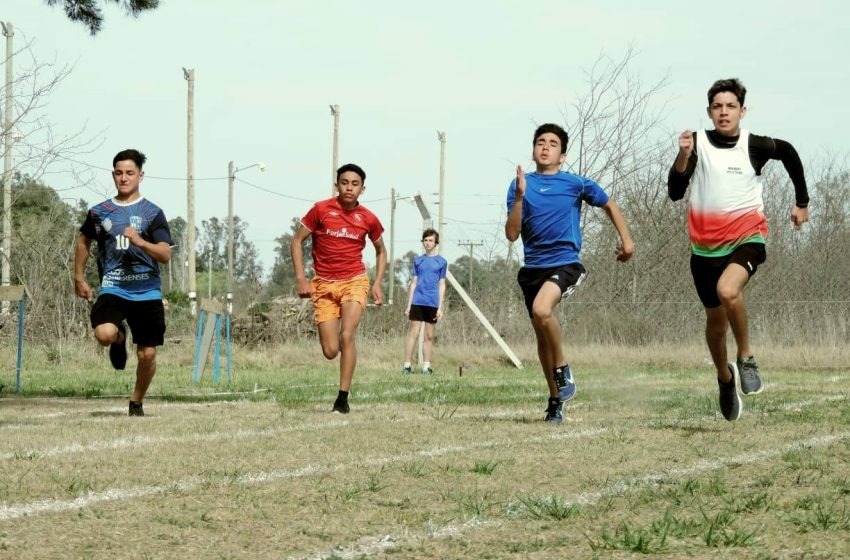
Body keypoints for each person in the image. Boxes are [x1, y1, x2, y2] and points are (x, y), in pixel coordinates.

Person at [668, 78, 809, 422]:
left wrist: (801, 201)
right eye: (717, 107)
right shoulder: (697, 143)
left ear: (742, 111)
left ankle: (746, 356)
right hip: (704, 251)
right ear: (709, 112)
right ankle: (724, 377)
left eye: (730, 106)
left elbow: (788, 152)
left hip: (747, 237)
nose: (724, 112)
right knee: (716, 326)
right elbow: (674, 191)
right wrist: (683, 156)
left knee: (728, 290)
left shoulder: (755, 145)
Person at [505, 123, 634, 424]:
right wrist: (521, 197)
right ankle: (555, 399)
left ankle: (562, 368)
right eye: (540, 142)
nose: (546, 147)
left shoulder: (575, 183)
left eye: (552, 143)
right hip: (532, 269)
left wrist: (627, 241)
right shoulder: (520, 185)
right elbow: (512, 234)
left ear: (562, 155)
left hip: (565, 263)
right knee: (541, 333)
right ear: (534, 150)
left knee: (542, 309)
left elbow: (609, 203)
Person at [74, 149, 173, 417]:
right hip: (114, 287)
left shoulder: (152, 213)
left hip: (147, 290)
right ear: (113, 175)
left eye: (130, 173)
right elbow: (83, 240)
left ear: (141, 175)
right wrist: (79, 277)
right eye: (119, 173)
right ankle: (119, 338)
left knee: (148, 354)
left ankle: (136, 401)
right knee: (104, 334)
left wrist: (141, 241)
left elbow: (165, 254)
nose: (124, 178)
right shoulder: (99, 212)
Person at [292, 163, 387, 414]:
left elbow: (381, 251)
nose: (349, 188)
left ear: (362, 189)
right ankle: (341, 385)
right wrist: (301, 278)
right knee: (331, 350)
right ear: (337, 185)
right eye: (345, 183)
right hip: (324, 283)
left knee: (348, 336)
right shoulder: (320, 210)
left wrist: (377, 282)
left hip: (354, 281)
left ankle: (342, 399)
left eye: (355, 184)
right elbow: (297, 240)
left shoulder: (368, 218)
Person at [401, 228, 448, 374]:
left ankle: (426, 366)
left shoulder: (442, 262)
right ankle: (407, 365)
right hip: (417, 301)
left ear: (436, 243)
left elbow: (442, 285)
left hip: (432, 302)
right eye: (425, 240)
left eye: (430, 240)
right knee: (414, 333)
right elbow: (413, 283)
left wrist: (440, 307)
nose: (427, 243)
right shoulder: (418, 260)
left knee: (429, 335)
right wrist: (409, 305)